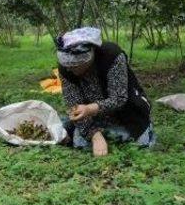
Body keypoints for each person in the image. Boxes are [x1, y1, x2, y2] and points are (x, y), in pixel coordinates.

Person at [56, 27, 156, 157]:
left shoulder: (111, 56)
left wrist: (90, 108)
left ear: (88, 59)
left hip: (125, 113)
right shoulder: (66, 68)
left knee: (142, 144)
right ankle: (82, 130)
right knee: (80, 144)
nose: (69, 70)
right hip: (93, 119)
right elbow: (73, 104)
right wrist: (95, 135)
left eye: (74, 66)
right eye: (67, 66)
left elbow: (119, 98)